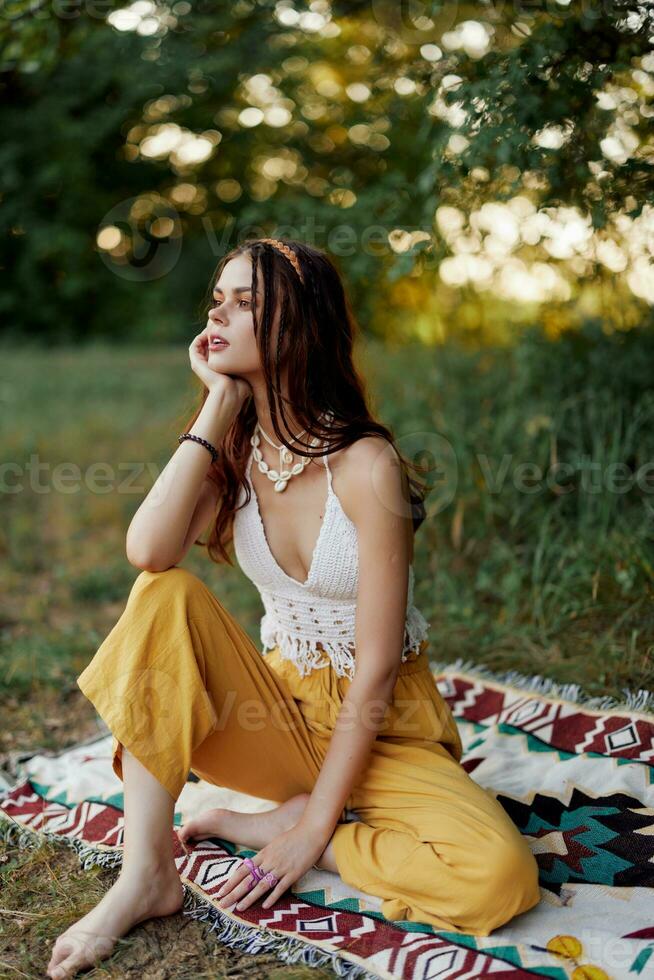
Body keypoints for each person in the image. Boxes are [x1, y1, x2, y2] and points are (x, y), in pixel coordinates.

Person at [46, 238, 541, 979]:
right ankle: (145, 874)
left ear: (298, 325)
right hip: (276, 714)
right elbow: (149, 551)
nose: (220, 314)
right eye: (217, 299)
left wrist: (312, 831)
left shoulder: (369, 465)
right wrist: (219, 401)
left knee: (500, 876)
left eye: (246, 302)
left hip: (384, 731)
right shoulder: (235, 451)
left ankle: (294, 820)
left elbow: (374, 671)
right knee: (165, 594)